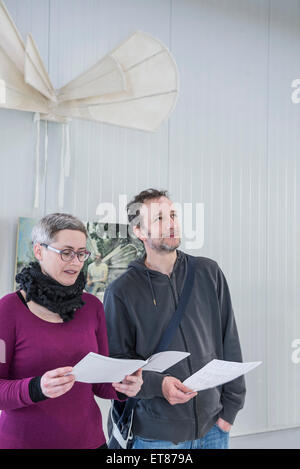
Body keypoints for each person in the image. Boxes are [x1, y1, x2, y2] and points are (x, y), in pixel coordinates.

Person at [104, 188, 246, 450]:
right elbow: (119, 366)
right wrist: (160, 385)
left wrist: (230, 412)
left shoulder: (208, 271)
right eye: (159, 218)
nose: (171, 223)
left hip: (213, 428)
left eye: (172, 214)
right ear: (139, 231)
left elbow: (230, 340)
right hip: (156, 436)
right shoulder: (121, 291)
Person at [0, 213, 142, 449]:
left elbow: (100, 384)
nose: (76, 262)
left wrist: (125, 386)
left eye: (81, 253)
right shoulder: (8, 309)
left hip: (91, 443)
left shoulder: (93, 307)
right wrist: (36, 387)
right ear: (39, 251)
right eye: (66, 252)